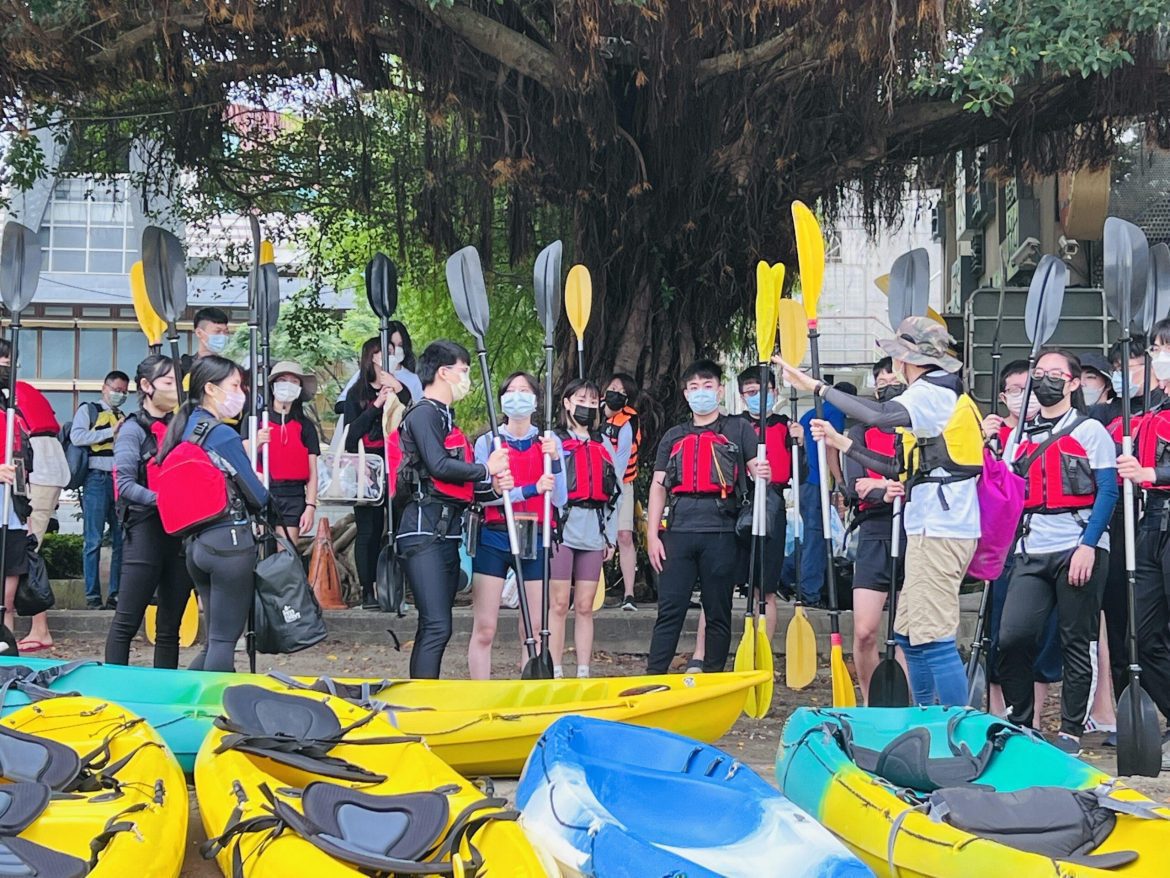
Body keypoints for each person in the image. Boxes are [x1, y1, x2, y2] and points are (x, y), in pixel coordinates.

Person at [783, 317, 980, 706]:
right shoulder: (936, 395)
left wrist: (817, 387)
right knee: (908, 633)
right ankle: (922, 714)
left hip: (942, 530)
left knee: (933, 637)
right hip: (929, 529)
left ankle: (955, 725)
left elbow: (878, 416)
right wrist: (844, 443)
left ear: (906, 360)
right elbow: (897, 469)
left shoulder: (932, 393)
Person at [995, 351, 1117, 754]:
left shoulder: (1089, 431)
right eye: (1039, 373)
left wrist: (1088, 545)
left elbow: (1108, 492)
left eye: (1054, 374)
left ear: (1073, 383)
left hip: (1078, 545)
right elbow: (1004, 487)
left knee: (1074, 638)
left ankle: (1070, 729)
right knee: (1013, 636)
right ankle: (1020, 720)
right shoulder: (1020, 436)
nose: (1044, 380)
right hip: (1033, 547)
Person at [395, 340, 511, 679]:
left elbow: (462, 483)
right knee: (435, 625)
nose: (467, 377)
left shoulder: (447, 417)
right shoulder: (424, 413)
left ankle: (427, 695)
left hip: (447, 531)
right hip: (422, 530)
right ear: (443, 372)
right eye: (463, 370)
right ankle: (421, 701)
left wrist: (492, 487)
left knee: (438, 626)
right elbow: (438, 465)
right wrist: (486, 469)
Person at [645, 359, 768, 675]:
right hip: (680, 530)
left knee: (718, 610)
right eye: (694, 388)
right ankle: (653, 677)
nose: (701, 393)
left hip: (722, 531)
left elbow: (757, 473)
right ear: (686, 394)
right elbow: (658, 488)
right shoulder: (674, 436)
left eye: (708, 386)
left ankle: (712, 674)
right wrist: (652, 535)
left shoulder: (738, 429)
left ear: (719, 390)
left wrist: (763, 473)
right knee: (670, 609)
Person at [156, 356, 268, 672]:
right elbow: (257, 496)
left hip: (196, 545)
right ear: (210, 388)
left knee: (214, 640)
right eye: (234, 385)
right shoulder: (221, 434)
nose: (240, 392)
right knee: (223, 642)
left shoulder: (184, 427)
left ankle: (189, 699)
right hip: (230, 543)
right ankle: (217, 709)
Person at [467, 372, 565, 679]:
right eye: (511, 391)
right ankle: (481, 698)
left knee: (533, 628)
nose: (518, 396)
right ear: (502, 399)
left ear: (536, 401)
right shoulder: (488, 442)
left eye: (524, 391)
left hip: (535, 537)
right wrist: (528, 489)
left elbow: (560, 498)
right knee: (485, 627)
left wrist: (556, 458)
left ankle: (527, 695)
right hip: (495, 537)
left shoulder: (549, 441)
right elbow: (483, 497)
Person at [979, 360, 1062, 718]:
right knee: (999, 631)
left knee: (1041, 634)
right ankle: (1000, 716)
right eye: (1015, 391)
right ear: (1003, 396)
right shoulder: (994, 436)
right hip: (1002, 544)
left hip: (1041, 542)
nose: (1023, 398)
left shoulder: (1051, 433)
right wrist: (983, 439)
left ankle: (1034, 718)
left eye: (1029, 389)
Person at [105, 356, 193, 668]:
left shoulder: (184, 426)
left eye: (176, 383)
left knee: (171, 627)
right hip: (145, 529)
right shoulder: (132, 430)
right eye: (167, 383)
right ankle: (115, 690)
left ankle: (164, 690)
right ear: (146, 386)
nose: (174, 389)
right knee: (127, 621)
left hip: (181, 531)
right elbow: (125, 484)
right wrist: (162, 499)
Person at [1116, 317, 1170, 768]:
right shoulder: (1152, 407)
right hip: (1152, 524)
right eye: (1157, 346)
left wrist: (1153, 474)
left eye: (1164, 346)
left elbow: (1153, 470)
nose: (1159, 354)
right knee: (1145, 634)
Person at [841, 358, 907, 702]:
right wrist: (887, 488)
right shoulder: (859, 433)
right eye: (881, 380)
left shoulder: (921, 429)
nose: (887, 383)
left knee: (907, 632)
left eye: (894, 376)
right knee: (866, 631)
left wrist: (881, 484)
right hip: (874, 531)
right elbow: (855, 486)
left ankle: (903, 701)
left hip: (913, 531)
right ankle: (871, 699)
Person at [550, 379, 620, 678]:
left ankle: (583, 669)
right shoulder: (553, 440)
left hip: (593, 529)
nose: (588, 406)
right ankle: (553, 668)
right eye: (582, 400)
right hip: (562, 530)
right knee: (559, 603)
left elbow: (614, 492)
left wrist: (611, 537)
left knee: (585, 605)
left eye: (593, 402)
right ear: (567, 402)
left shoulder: (602, 443)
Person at [0, 340, 67, 652]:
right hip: (35, 468)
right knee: (22, 550)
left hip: (31, 470)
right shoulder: (18, 391)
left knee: (23, 551)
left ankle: (29, 628)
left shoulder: (13, 394)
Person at [342, 336, 413, 609]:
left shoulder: (399, 389)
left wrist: (399, 392)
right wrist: (376, 406)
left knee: (398, 526)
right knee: (368, 531)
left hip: (396, 466)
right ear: (370, 358)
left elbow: (411, 415)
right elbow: (351, 435)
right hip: (367, 468)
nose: (389, 358)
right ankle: (367, 590)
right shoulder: (356, 393)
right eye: (383, 353)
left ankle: (397, 587)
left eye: (393, 353)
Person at [781, 385, 851, 606]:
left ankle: (785, 573)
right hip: (816, 480)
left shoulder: (811, 413)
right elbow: (831, 449)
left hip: (802, 481)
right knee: (818, 537)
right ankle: (808, 591)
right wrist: (841, 482)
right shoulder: (835, 413)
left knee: (814, 537)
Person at [71, 370, 129, 610]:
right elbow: (77, 437)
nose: (120, 394)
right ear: (104, 388)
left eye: (124, 391)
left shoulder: (123, 415)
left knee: (120, 540)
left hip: (118, 480)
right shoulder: (89, 410)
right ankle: (92, 596)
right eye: (117, 389)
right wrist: (111, 432)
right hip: (96, 478)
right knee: (92, 540)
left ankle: (115, 594)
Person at [260, 361, 320, 543]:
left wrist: (310, 506)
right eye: (283, 380)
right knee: (259, 550)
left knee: (287, 553)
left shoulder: (306, 426)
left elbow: (312, 471)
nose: (288, 385)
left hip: (293, 495)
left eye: (294, 381)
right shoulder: (257, 420)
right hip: (261, 492)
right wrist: (257, 441)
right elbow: (243, 455)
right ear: (273, 386)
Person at [601, 374, 639, 610]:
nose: (615, 392)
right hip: (592, 485)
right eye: (612, 387)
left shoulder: (628, 422)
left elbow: (623, 457)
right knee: (593, 539)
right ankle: (590, 591)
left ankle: (629, 594)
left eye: (621, 391)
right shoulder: (591, 414)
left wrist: (613, 487)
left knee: (624, 535)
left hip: (621, 484)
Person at [336, 322, 423, 411]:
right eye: (391, 344)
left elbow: (417, 410)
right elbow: (341, 405)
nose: (396, 349)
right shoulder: (366, 374)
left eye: (400, 345)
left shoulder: (413, 379)